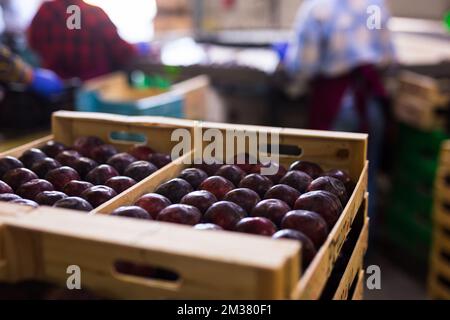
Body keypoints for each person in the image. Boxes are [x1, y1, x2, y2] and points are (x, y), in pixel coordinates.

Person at [281, 0, 396, 222]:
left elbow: (304, 65)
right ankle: (363, 249)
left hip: (335, 107)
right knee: (366, 180)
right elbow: (390, 57)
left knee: (328, 187)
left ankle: (338, 251)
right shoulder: (375, 6)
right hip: (370, 102)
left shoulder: (318, 8)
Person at [27, 0, 139, 81]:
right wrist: (138, 49)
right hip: (94, 91)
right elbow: (121, 50)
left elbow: (32, 43)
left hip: (56, 91)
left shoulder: (45, 11)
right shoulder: (95, 14)